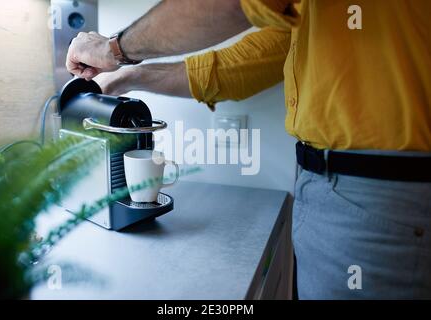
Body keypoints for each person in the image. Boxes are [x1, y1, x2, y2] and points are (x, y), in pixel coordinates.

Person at [66, 0, 431, 299]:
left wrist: (113, 48)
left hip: (379, 198)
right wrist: (131, 76)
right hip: (347, 192)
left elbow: (229, 5)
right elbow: (250, 61)